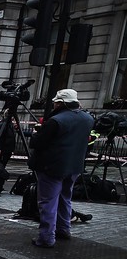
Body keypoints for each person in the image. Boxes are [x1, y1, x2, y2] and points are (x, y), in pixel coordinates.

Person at [28, 88, 95, 248]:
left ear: (60, 103)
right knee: (65, 198)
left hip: (52, 166)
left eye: (55, 103)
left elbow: (38, 143)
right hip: (74, 166)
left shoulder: (56, 120)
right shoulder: (87, 119)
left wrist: (36, 134)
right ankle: (64, 228)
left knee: (48, 202)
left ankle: (46, 237)